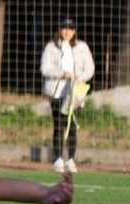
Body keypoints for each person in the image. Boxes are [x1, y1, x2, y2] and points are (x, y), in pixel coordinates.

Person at [40, 18, 94, 173]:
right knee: (58, 125)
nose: (67, 31)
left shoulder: (82, 47)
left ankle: (70, 159)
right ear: (60, 30)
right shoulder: (51, 47)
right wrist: (62, 74)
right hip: (56, 91)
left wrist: (80, 77)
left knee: (72, 125)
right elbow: (45, 68)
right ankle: (58, 158)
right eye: (64, 28)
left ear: (74, 31)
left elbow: (89, 67)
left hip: (75, 93)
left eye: (70, 28)